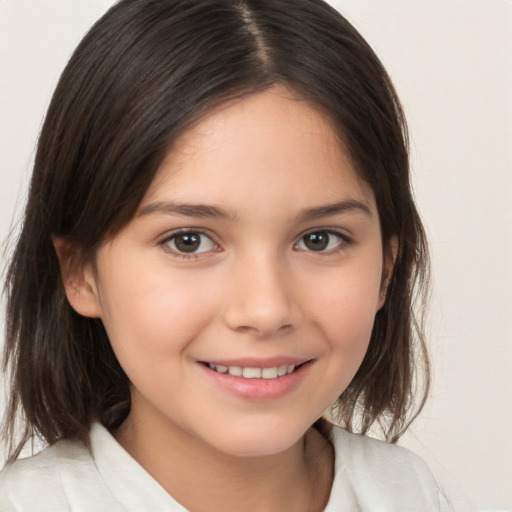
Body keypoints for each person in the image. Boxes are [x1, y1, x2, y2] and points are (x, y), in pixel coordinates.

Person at [0, 0, 448, 510]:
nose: (265, 310)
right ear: (80, 272)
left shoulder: (408, 492)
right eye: (188, 240)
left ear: (387, 267)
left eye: (320, 239)